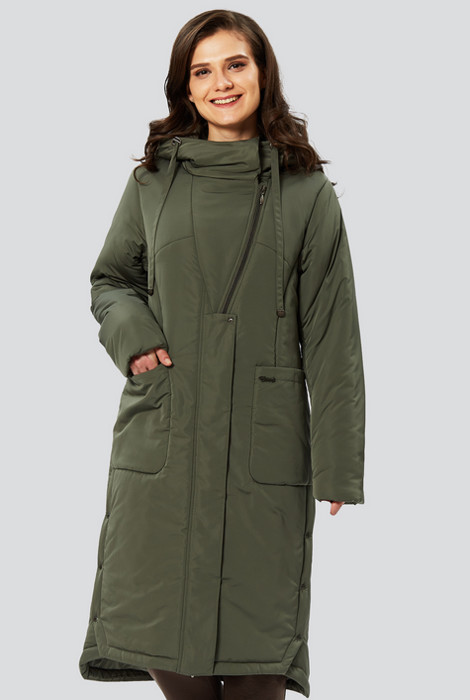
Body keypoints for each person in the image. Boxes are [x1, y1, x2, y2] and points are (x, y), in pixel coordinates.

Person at [78, 9, 366, 700]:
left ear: (263, 72)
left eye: (235, 64)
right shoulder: (153, 182)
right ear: (185, 87)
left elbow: (333, 332)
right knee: (161, 626)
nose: (221, 83)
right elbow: (111, 280)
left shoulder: (307, 195)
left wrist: (338, 462)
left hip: (262, 447)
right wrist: (136, 338)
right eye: (201, 71)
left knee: (260, 645)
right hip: (166, 436)